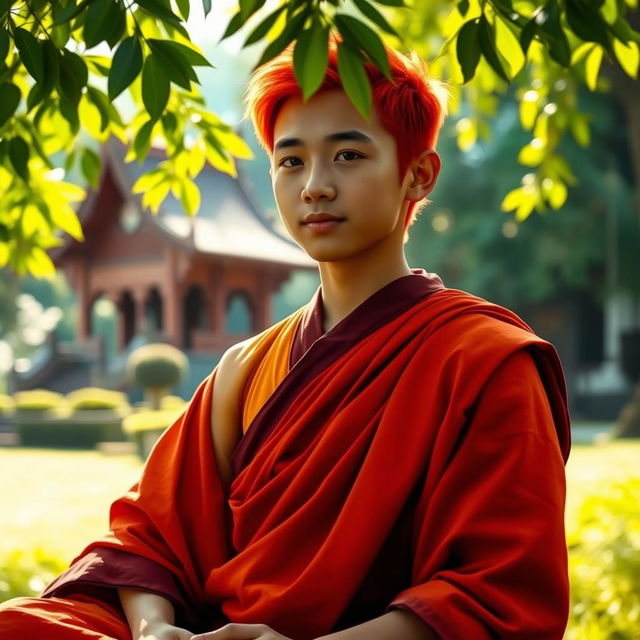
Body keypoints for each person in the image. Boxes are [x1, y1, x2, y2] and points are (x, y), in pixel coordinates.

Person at [0, 36, 571, 640]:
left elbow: (498, 593)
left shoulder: (485, 360)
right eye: (291, 161)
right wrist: (153, 632)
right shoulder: (246, 368)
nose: (314, 187)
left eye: (348, 156)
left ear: (418, 175)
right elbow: (148, 536)